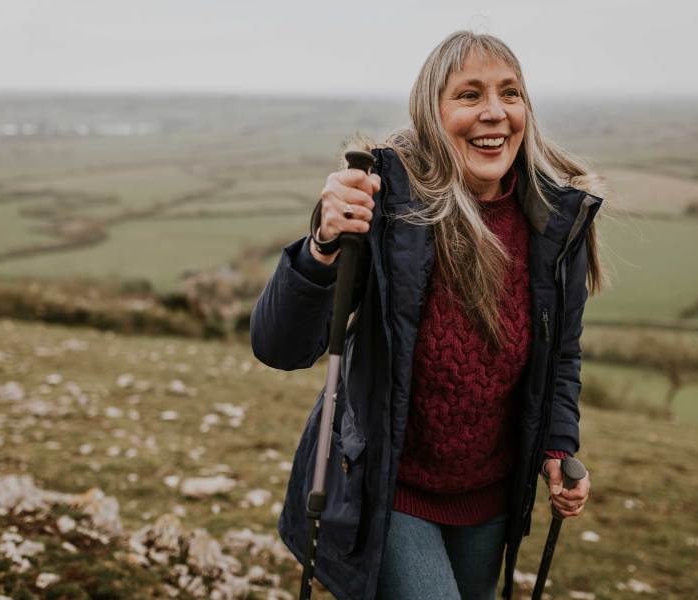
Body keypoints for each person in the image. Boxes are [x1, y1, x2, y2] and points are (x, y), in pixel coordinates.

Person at [251, 30, 604, 600]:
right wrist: (322, 244)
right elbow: (280, 347)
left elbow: (560, 353)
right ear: (431, 113)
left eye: (510, 93)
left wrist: (558, 446)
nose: (495, 112)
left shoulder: (553, 223)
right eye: (469, 94)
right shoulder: (385, 205)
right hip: (389, 488)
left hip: (489, 499)